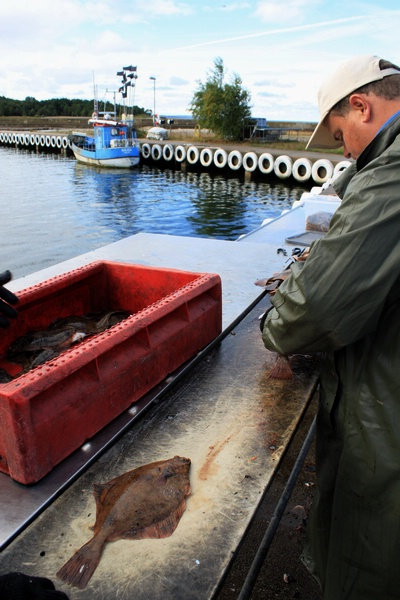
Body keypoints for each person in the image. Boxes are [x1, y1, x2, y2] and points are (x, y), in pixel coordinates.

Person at [260, 54, 400, 599]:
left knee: (371, 555)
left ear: (362, 106)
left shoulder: (390, 173)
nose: (343, 152)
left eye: (341, 134)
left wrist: (276, 321)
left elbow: (312, 311)